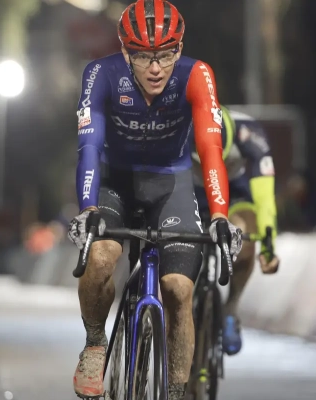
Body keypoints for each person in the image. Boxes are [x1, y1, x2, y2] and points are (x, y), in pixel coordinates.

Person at [65, 1, 243, 399]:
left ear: (179, 49)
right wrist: (88, 208)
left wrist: (219, 215)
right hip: (115, 182)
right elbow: (89, 146)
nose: (156, 67)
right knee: (100, 258)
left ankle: (176, 392)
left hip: (170, 184)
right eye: (144, 56)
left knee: (178, 289)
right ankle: (95, 344)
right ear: (125, 51)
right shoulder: (101, 74)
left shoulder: (197, 74)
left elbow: (210, 149)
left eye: (165, 54)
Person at [190, 106, 280, 356]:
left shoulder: (249, 133)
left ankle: (231, 307)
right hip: (191, 193)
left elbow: (265, 197)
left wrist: (268, 245)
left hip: (233, 195)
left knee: (246, 237)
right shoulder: (178, 127)